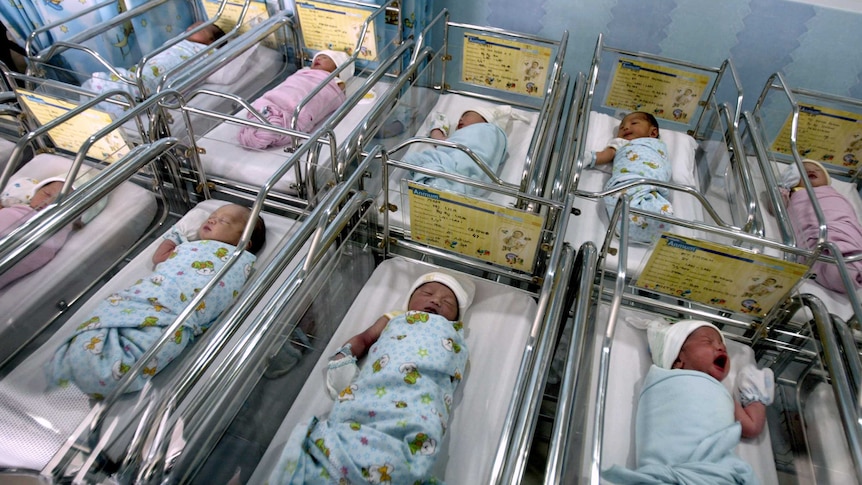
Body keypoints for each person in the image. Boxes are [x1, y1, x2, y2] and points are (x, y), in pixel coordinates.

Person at [267, 271, 475, 484]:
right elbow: (365, 339)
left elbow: (449, 370)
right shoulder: (395, 318)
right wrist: (345, 355)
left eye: (448, 302)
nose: (436, 300)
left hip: (420, 398)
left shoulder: (452, 334)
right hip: (379, 387)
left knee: (417, 432)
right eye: (427, 292)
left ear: (457, 318)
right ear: (409, 300)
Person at [48, 204, 266, 398]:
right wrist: (175, 236)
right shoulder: (189, 246)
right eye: (213, 216)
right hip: (149, 297)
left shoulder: (238, 260)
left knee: (149, 345)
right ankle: (90, 353)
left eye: (224, 221)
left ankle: (104, 369)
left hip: (176, 315)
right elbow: (159, 259)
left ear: (245, 242)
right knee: (112, 319)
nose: (212, 220)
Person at [603, 319, 774, 484]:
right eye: (708, 342)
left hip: (711, 472)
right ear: (678, 360)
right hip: (674, 470)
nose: (720, 347)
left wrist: (754, 396)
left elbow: (751, 426)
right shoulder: (663, 380)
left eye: (723, 347)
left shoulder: (722, 394)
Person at [81, 22, 225, 113]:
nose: (192, 27)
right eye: (193, 25)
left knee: (145, 83)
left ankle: (121, 92)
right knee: (138, 73)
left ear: (210, 41)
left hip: (163, 74)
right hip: (147, 67)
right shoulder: (178, 41)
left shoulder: (208, 52)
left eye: (200, 29)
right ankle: (114, 90)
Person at [237, 50, 354, 150]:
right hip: (280, 97)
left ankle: (271, 124)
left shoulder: (334, 82)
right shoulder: (303, 72)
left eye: (326, 58)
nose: (318, 58)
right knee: (271, 106)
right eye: (317, 57)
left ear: (339, 69)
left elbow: (334, 95)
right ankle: (266, 119)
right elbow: (292, 84)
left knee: (289, 117)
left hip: (297, 109)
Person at [778, 159, 862, 293]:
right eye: (803, 170)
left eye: (818, 170)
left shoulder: (832, 193)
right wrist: (783, 189)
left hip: (841, 224)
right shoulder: (794, 194)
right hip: (815, 232)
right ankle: (841, 271)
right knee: (829, 258)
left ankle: (850, 260)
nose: (811, 170)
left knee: (849, 240)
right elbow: (776, 209)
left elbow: (846, 212)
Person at [588, 111, 673, 243]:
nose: (626, 127)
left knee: (659, 209)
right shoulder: (621, 143)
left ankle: (652, 231)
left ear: (653, 132)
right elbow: (606, 155)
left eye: (634, 123)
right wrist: (589, 158)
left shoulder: (659, 146)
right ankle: (629, 228)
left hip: (652, 185)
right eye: (622, 127)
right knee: (619, 200)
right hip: (628, 182)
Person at [407, 106, 524, 197]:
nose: (461, 119)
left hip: (462, 170)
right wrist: (437, 129)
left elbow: (440, 141)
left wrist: (437, 129)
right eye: (460, 118)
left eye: (467, 115)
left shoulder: (491, 133)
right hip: (472, 184)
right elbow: (442, 141)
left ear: (485, 120)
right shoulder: (462, 138)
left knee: (417, 160)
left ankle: (442, 183)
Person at [0, 177, 74, 290]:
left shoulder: (53, 235)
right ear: (35, 193)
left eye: (59, 202)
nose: (48, 202)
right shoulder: (14, 209)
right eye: (47, 194)